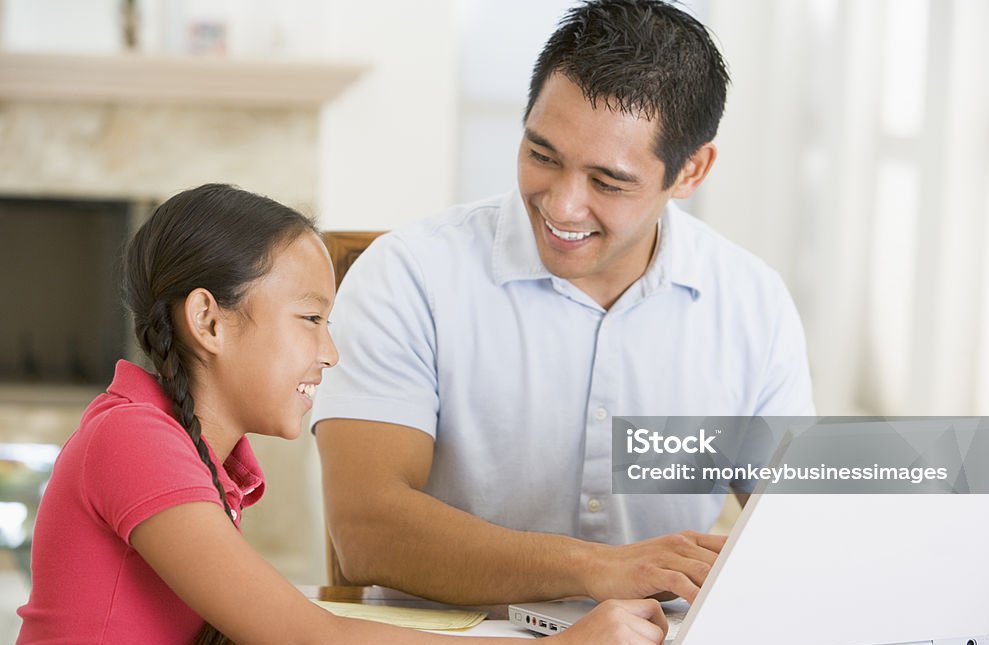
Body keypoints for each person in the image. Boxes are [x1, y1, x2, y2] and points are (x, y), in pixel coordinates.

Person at [5, 184, 668, 645]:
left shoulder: (202, 456)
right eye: (310, 317)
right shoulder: (133, 441)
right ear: (208, 320)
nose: (331, 352)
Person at [312, 0, 814, 607]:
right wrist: (597, 569)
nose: (562, 206)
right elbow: (368, 532)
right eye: (542, 156)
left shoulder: (751, 302)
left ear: (690, 171)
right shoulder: (409, 274)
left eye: (608, 182)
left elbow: (795, 533)